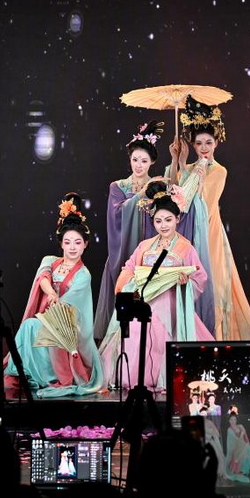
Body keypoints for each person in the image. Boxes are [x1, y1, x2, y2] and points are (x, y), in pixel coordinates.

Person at [97, 180, 214, 392]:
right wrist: (129, 285)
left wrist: (185, 282)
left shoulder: (185, 248)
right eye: (158, 221)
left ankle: (161, 375)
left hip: (170, 303)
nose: (163, 225)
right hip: (144, 300)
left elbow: (200, 276)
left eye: (168, 220)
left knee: (160, 328)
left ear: (177, 219)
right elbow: (129, 268)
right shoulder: (145, 246)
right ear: (153, 222)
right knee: (135, 327)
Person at [165, 95, 250, 342]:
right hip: (185, 230)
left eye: (209, 142)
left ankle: (216, 337)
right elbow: (172, 193)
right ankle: (189, 336)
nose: (204, 147)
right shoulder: (188, 167)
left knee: (213, 283)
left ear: (217, 142)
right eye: (199, 143)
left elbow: (201, 203)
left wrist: (189, 170)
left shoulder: (219, 171)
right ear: (193, 145)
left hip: (209, 231)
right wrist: (177, 160)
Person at [2, 193, 105, 397]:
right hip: (47, 317)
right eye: (68, 242)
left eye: (77, 242)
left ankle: (49, 376)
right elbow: (43, 277)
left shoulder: (83, 275)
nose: (72, 247)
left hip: (66, 324)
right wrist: (51, 293)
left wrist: (56, 303)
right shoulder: (50, 260)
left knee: (32, 326)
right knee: (29, 325)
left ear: (85, 244)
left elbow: (69, 306)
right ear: (61, 244)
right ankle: (25, 372)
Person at [93, 120, 163, 341]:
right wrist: (141, 194)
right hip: (123, 252)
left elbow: (163, 219)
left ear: (152, 162)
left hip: (148, 254)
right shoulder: (118, 186)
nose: (138, 165)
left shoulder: (158, 186)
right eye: (135, 160)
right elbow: (116, 215)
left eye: (144, 161)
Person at [224, 413, 250, 484]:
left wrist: (247, 444)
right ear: (229, 421)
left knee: (247, 448)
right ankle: (241, 471)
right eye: (231, 420)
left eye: (234, 419)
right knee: (242, 450)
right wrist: (241, 435)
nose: (233, 421)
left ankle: (249, 470)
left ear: (236, 420)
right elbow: (235, 441)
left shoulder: (240, 426)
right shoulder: (229, 430)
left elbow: (246, 437)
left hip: (244, 445)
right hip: (236, 447)